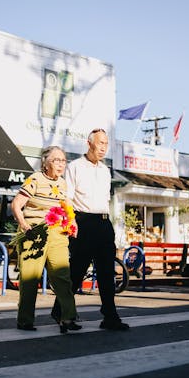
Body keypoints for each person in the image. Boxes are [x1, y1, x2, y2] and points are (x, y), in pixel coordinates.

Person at [52, 128, 129, 331]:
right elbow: (66, 197)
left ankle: (110, 316)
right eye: (100, 143)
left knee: (106, 273)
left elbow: (105, 199)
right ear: (89, 143)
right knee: (77, 270)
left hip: (103, 223)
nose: (103, 148)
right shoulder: (75, 167)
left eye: (106, 144)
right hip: (82, 223)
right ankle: (61, 310)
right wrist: (71, 221)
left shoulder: (105, 170)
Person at [10, 146, 82, 334]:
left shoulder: (63, 183)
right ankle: (25, 320)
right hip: (35, 234)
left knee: (63, 278)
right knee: (29, 279)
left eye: (63, 160)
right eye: (56, 160)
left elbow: (66, 206)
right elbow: (16, 204)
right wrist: (25, 226)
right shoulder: (35, 179)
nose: (61, 164)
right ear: (45, 162)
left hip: (58, 235)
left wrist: (72, 223)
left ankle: (68, 318)